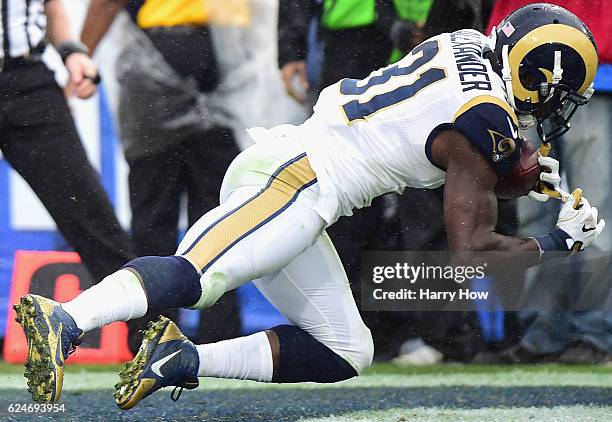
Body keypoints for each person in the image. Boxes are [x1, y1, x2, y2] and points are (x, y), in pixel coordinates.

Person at [14, 3, 605, 409]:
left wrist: (513, 175)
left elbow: (444, 149)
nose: (555, 111)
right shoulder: (486, 120)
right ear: (540, 78)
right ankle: (66, 318)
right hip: (296, 178)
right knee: (199, 275)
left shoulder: (467, 47)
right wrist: (557, 243)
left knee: (348, 349)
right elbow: (468, 250)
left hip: (308, 186)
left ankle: (177, 359)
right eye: (560, 95)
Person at [81, 0, 242, 351]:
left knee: (160, 213)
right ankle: (220, 335)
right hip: (211, 54)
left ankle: (154, 333)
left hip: (169, 51)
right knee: (217, 217)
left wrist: (80, 54)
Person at [0, 1, 134, 282]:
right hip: (24, 81)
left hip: (26, 81)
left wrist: (71, 52)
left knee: (90, 214)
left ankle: (148, 321)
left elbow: (47, 4)